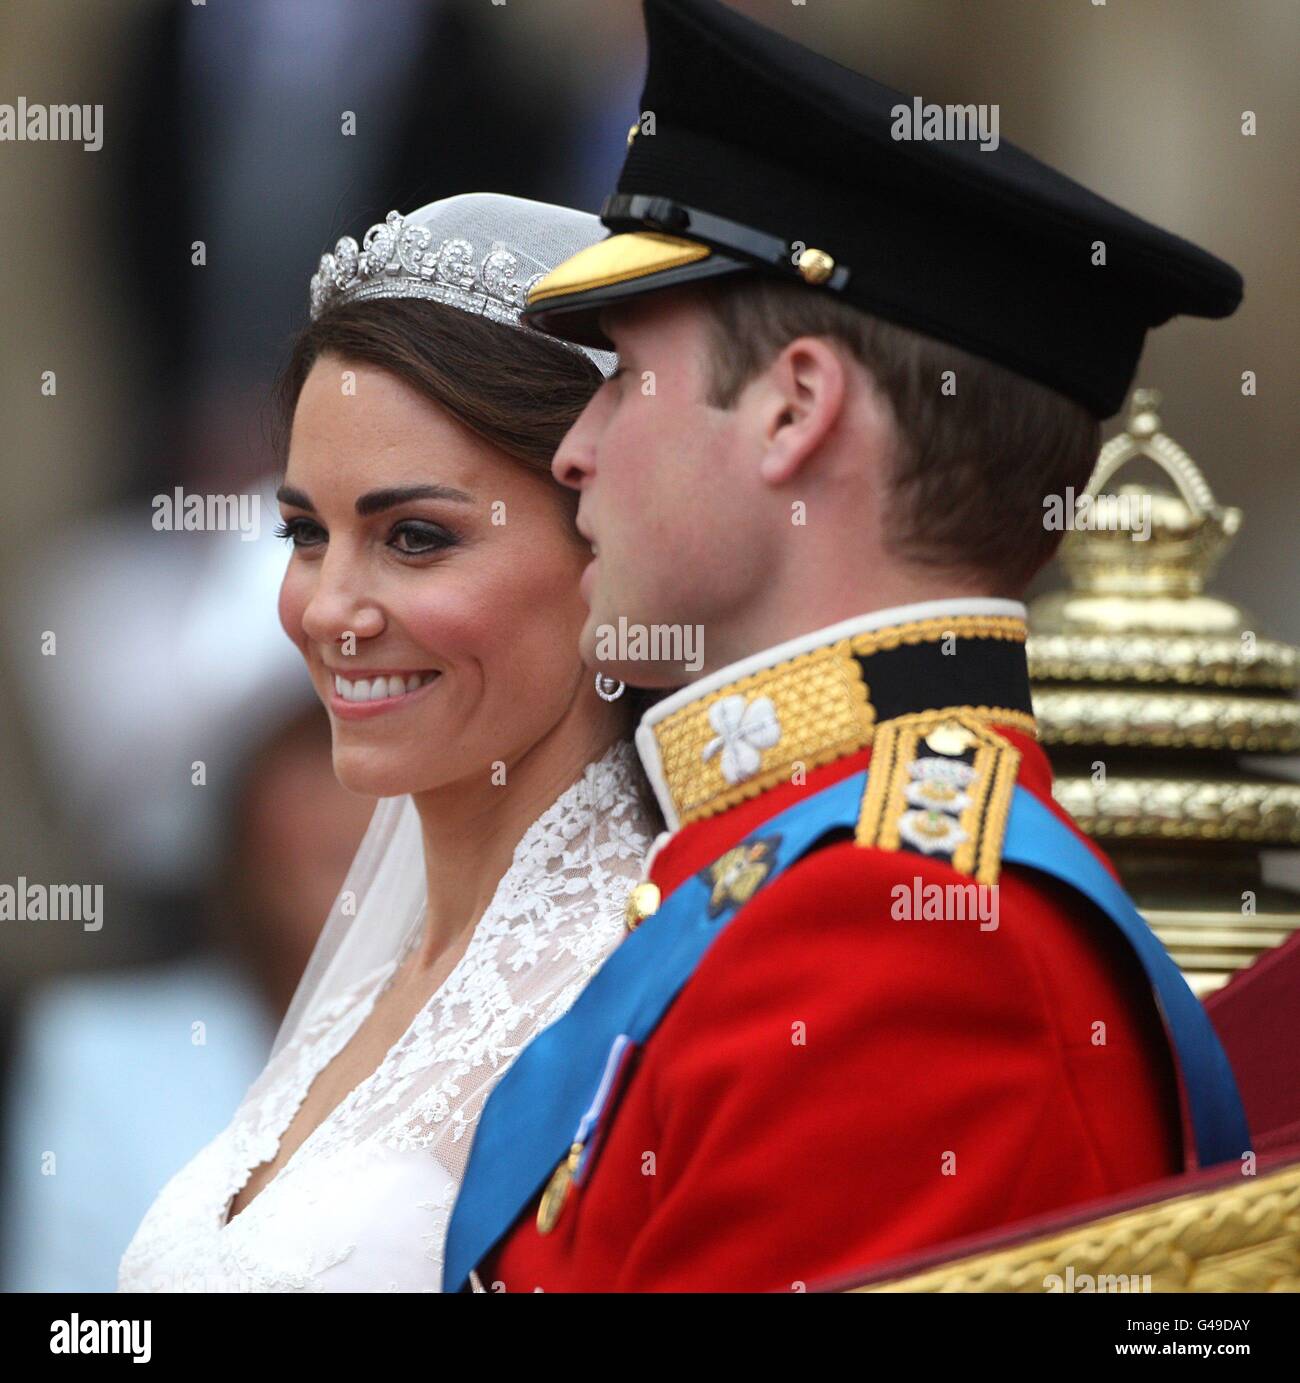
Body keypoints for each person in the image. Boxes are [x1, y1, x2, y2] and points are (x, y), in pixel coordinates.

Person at [442, 0, 1251, 1293]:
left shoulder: (899, 929)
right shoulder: (807, 867)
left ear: (794, 408)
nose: (572, 449)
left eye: (618, 376)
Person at [117, 193, 661, 1292]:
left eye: (415, 538)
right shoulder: (378, 954)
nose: (330, 611)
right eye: (307, 534)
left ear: (606, 547)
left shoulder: (655, 969)